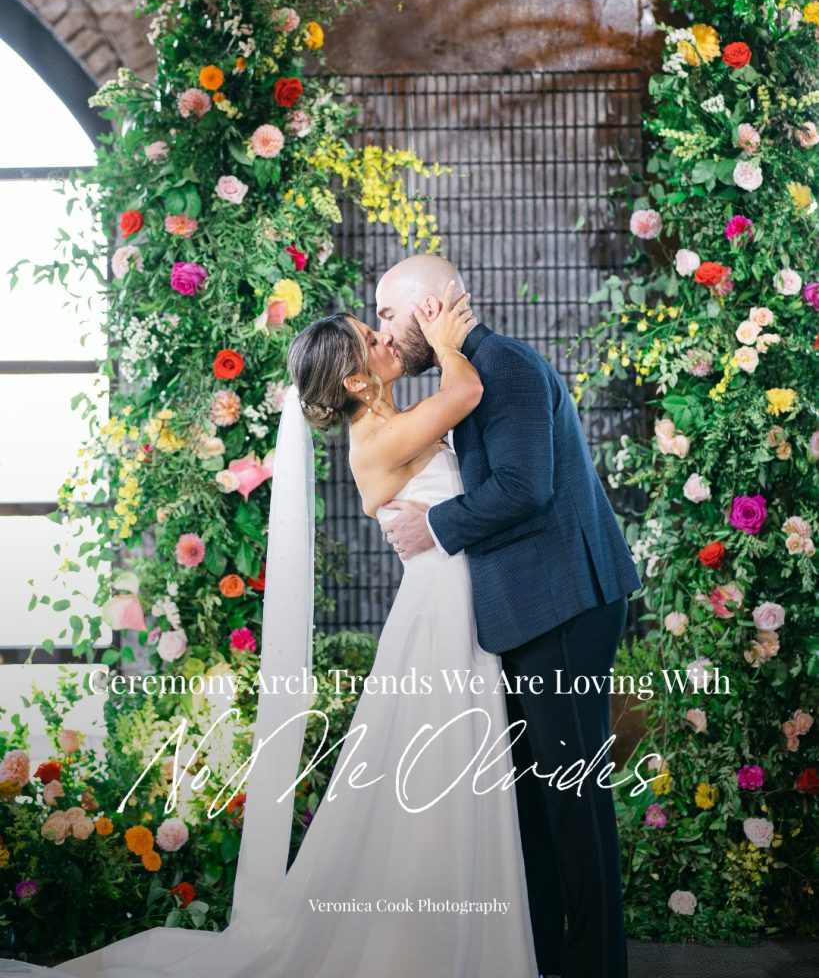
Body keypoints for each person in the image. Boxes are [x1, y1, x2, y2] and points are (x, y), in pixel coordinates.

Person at [2, 283, 539, 978]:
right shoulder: (378, 438)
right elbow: (465, 392)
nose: (386, 339)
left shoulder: (395, 421)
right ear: (355, 381)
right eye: (372, 338)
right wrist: (444, 342)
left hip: (452, 603)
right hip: (438, 615)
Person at [376, 254, 644, 978]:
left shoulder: (508, 368)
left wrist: (434, 526)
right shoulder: (472, 373)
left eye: (388, 313)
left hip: (564, 606)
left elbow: (526, 488)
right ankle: (544, 955)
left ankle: (596, 966)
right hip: (532, 610)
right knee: (534, 797)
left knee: (572, 796)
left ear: (431, 308)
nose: (383, 330)